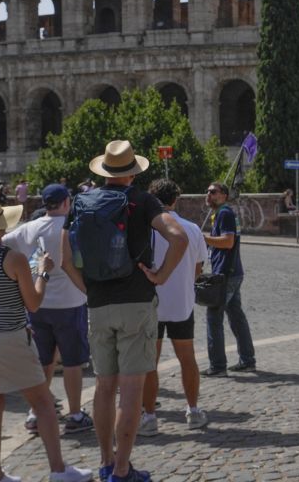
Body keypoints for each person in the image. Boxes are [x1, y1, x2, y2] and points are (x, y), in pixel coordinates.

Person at [58, 140, 189, 482]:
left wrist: (88, 288)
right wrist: (159, 275)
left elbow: (64, 260)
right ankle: (121, 470)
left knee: (104, 386)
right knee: (131, 389)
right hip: (137, 301)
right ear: (133, 171)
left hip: (99, 303)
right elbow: (179, 237)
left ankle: (105, 460)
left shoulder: (82, 202)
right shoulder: (144, 201)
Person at [0, 196, 92, 482]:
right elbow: (34, 303)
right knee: (42, 403)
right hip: (4, 336)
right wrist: (42, 271)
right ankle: (58, 470)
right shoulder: (11, 258)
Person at [2, 184, 95, 436]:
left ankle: (36, 412)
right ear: (66, 202)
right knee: (74, 362)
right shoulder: (72, 227)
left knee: (43, 361)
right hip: (70, 302)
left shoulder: (29, 228)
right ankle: (75, 413)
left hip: (38, 302)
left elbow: (2, 245)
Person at [141, 179, 211, 435]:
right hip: (182, 302)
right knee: (187, 359)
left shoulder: (147, 229)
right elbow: (198, 268)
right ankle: (193, 410)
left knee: (150, 362)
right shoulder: (191, 229)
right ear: (175, 200)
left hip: (152, 303)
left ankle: (149, 416)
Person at [201, 181, 257, 377]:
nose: (209, 195)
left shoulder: (224, 213)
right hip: (233, 272)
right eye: (207, 192)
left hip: (226, 274)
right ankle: (247, 360)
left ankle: (217, 366)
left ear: (224, 195)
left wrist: (203, 238)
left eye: (213, 192)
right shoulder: (223, 213)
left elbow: (227, 241)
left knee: (213, 317)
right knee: (236, 317)